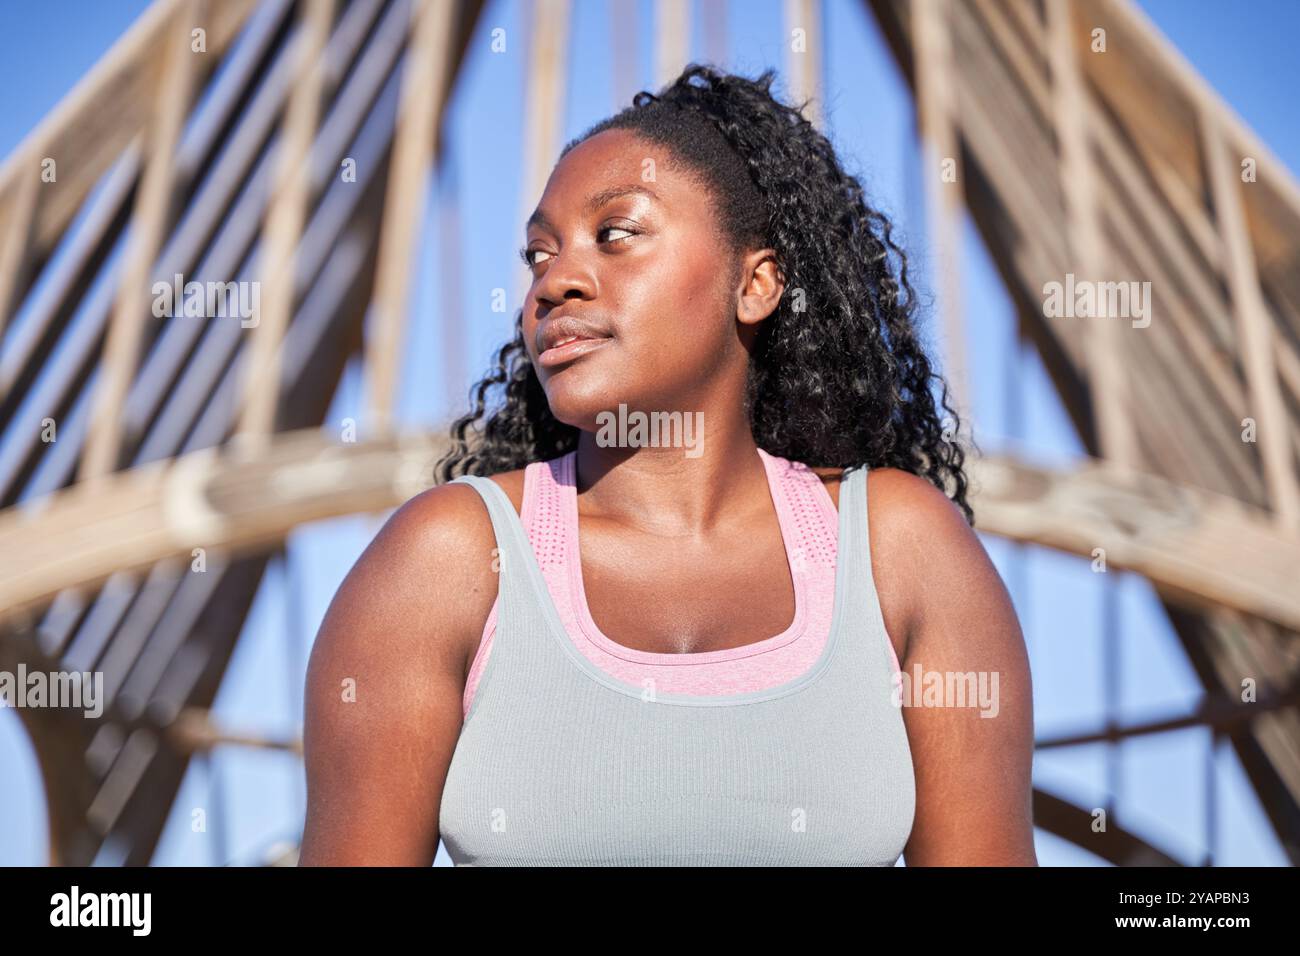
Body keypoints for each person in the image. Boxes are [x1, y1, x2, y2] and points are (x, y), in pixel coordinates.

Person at [299, 64, 1035, 866]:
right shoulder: (447, 559)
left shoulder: (901, 550)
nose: (557, 282)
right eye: (538, 255)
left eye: (616, 234)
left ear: (755, 286)